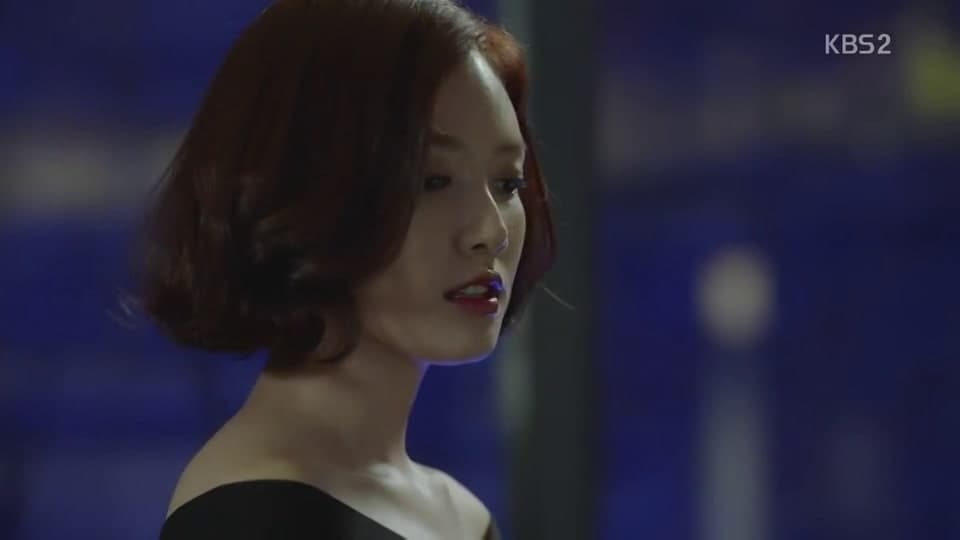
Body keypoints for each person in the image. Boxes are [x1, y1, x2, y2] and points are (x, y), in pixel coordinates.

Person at [138, 0, 556, 538]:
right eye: (432, 181)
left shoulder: (459, 515)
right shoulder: (251, 518)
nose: (491, 231)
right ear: (302, 189)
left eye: (507, 183)